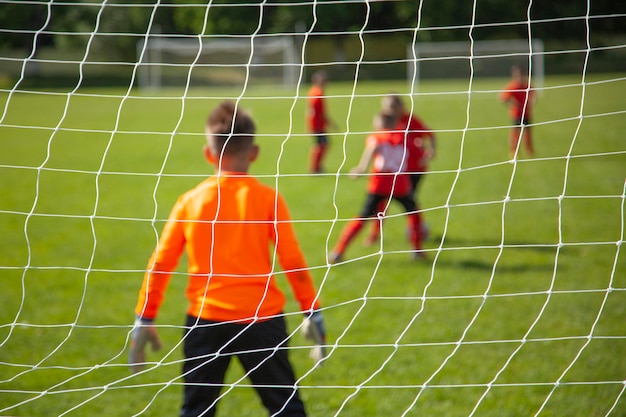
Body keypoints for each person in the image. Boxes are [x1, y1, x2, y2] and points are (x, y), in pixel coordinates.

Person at [129, 100, 326, 417]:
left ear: (208, 154)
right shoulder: (268, 199)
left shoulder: (190, 201)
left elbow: (161, 262)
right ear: (254, 153)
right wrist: (311, 310)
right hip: (263, 322)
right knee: (288, 410)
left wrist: (145, 316)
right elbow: (293, 261)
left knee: (196, 411)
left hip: (205, 324)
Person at [329, 111, 425, 263]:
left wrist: (361, 168)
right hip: (399, 185)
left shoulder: (377, 137)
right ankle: (417, 250)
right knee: (414, 215)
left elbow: (371, 149)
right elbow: (420, 157)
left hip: (378, 185)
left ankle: (338, 251)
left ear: (380, 125)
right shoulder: (405, 138)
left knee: (362, 217)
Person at [365, 94, 435, 247]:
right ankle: (374, 235)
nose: (388, 111)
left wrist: (431, 151)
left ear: (400, 107)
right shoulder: (387, 123)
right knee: (382, 205)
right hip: (393, 172)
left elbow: (429, 134)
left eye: (391, 108)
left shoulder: (410, 120)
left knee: (410, 205)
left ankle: (417, 236)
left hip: (413, 170)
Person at [500, 64, 536, 159]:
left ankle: (529, 151)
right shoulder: (512, 86)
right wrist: (513, 104)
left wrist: (532, 102)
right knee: (515, 133)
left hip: (526, 113)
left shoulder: (527, 85)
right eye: (516, 74)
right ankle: (514, 151)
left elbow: (534, 94)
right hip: (516, 114)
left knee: (527, 132)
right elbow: (502, 98)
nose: (518, 76)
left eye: (520, 74)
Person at [306, 70, 336, 173]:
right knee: (321, 145)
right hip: (317, 124)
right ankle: (315, 167)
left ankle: (316, 167)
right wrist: (330, 123)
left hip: (315, 123)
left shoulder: (313, 91)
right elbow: (319, 112)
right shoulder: (317, 93)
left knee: (321, 145)